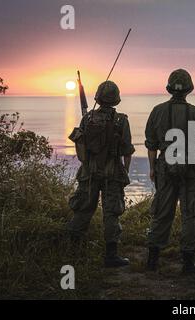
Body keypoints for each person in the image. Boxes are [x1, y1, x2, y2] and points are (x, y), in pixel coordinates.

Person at [144, 69, 195, 274]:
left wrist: (153, 169)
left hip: (165, 166)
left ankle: (152, 261)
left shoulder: (157, 111)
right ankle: (188, 263)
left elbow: (151, 144)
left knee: (162, 212)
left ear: (169, 88)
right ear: (189, 89)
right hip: (192, 169)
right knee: (191, 214)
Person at [67, 80, 135, 268]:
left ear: (98, 97)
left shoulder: (87, 118)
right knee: (111, 213)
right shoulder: (122, 120)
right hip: (112, 173)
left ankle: (73, 252)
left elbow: (82, 150)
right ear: (116, 99)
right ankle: (111, 256)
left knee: (83, 210)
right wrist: (125, 172)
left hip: (88, 172)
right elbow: (127, 150)